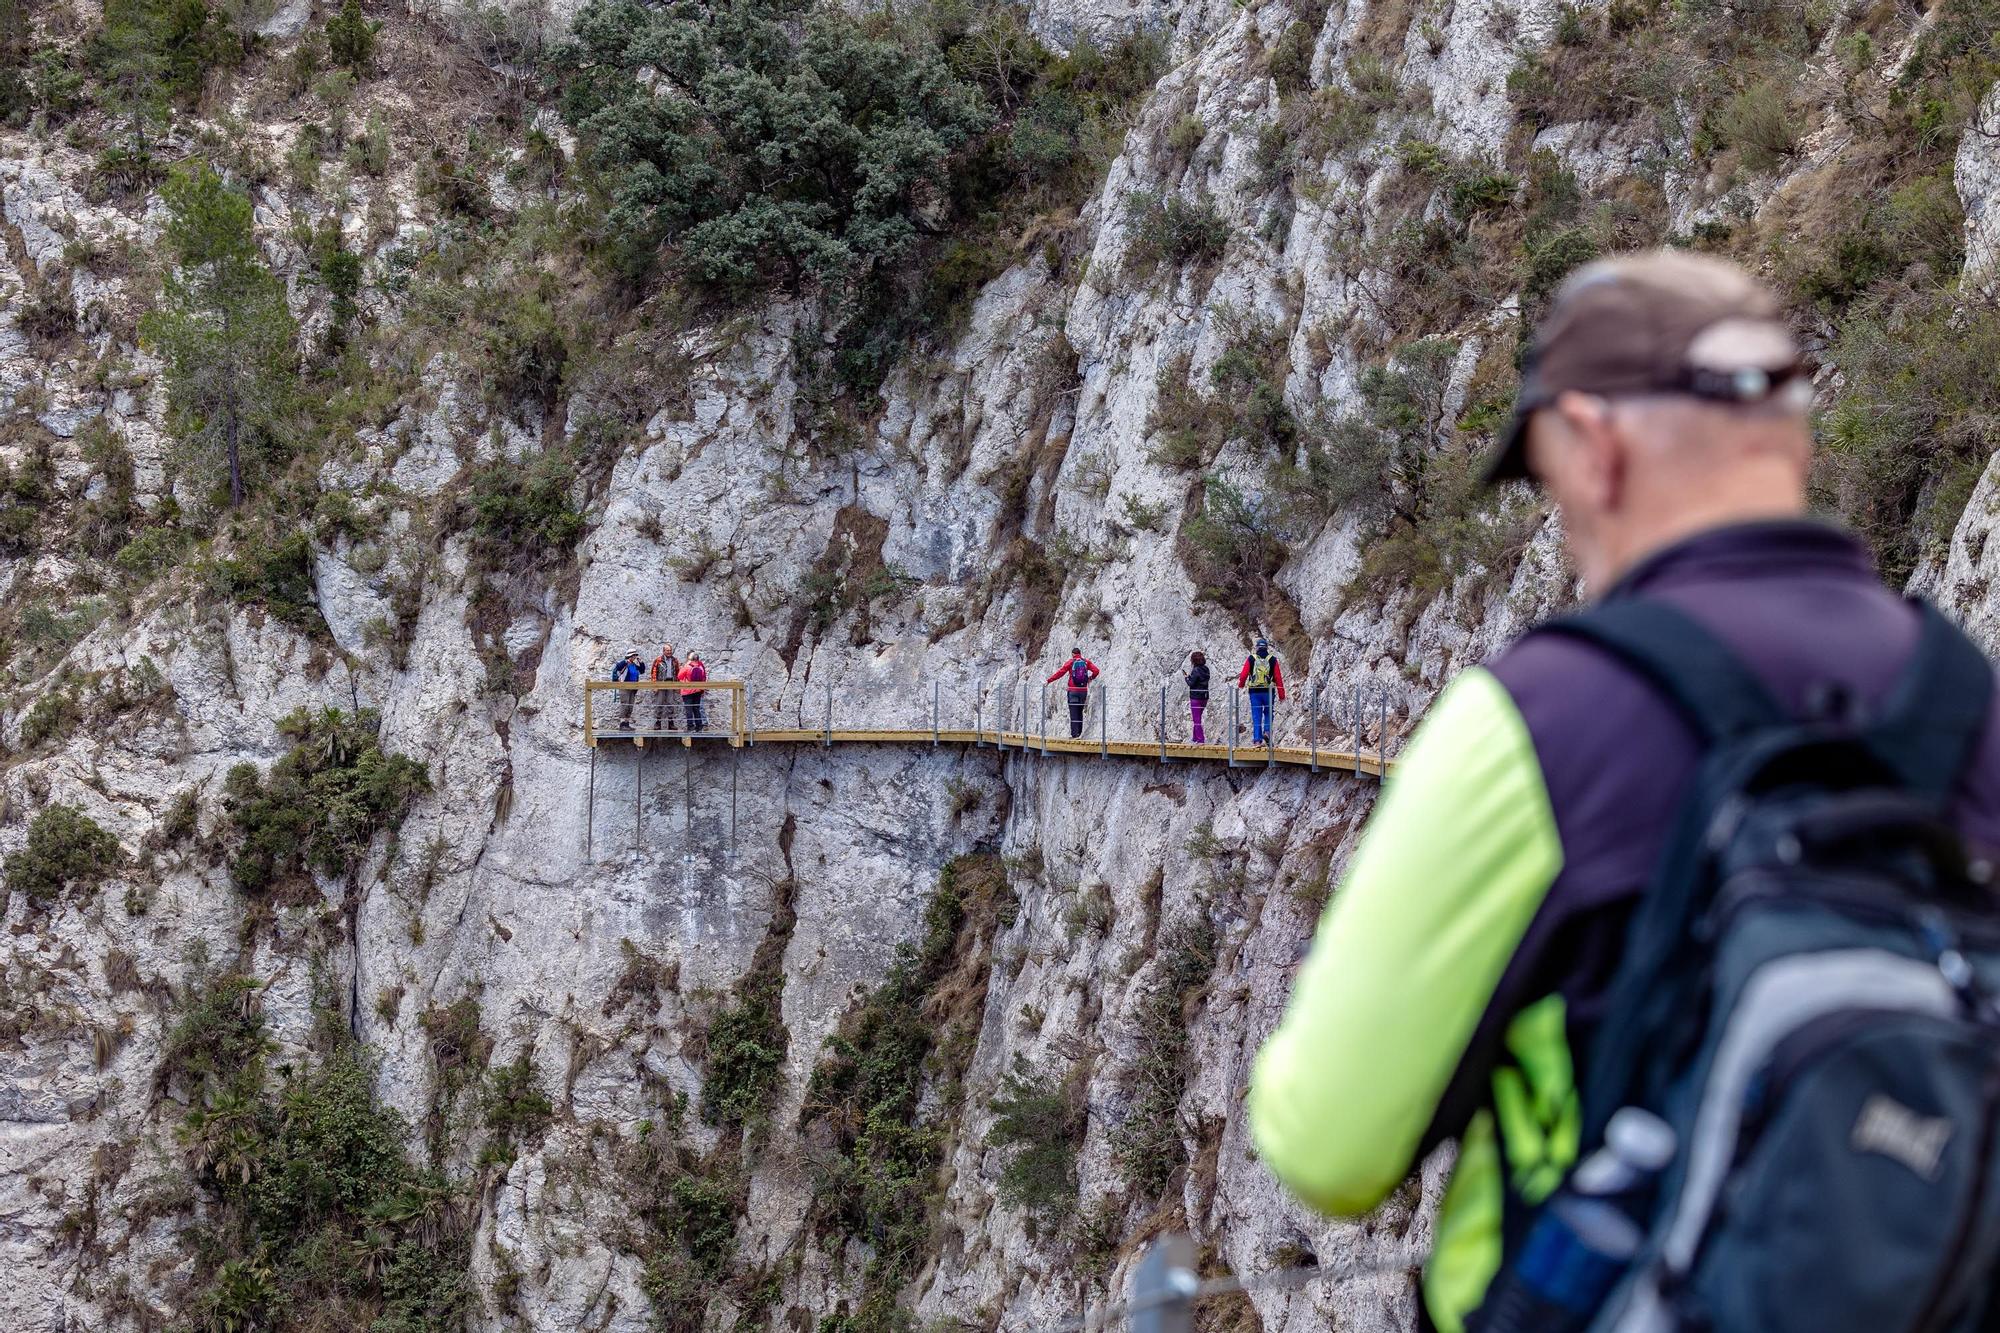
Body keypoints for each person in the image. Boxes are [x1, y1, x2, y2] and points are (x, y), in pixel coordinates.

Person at [1247, 251, 2000, 1333]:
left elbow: (1326, 1144)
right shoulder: (1970, 707)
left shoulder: (1542, 719)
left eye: (1545, 479)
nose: (1558, 521)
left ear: (1594, 448)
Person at [1236, 637, 1286, 745]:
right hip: (1268, 691)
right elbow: (1278, 678)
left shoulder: (1251, 658)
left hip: (1255, 692)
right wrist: (1282, 695)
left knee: (1256, 715)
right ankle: (1267, 732)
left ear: (1257, 648)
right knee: (1268, 713)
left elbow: (1244, 674)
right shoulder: (1272, 659)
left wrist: (1241, 685)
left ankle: (1257, 740)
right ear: (1267, 648)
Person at [1046, 648, 1099, 738]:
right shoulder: (1086, 662)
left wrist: (1049, 681)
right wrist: (1090, 678)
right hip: (1083, 691)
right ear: (1080, 654)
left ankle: (1075, 735)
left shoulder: (1071, 662)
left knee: (1073, 712)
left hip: (1073, 691)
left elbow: (1060, 673)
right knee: (1080, 711)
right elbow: (1096, 671)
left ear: (1073, 654)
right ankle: (1079, 733)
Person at [650, 643, 681, 732]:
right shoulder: (658, 660)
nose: (669, 652)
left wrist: (677, 685)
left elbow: (677, 673)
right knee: (659, 702)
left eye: (670, 650)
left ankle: (671, 723)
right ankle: (658, 722)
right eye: (667, 650)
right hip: (661, 682)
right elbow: (653, 673)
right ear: (663, 651)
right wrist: (655, 685)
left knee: (671, 702)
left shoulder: (675, 660)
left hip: (671, 682)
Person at [611, 650, 644, 729]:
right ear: (630, 656)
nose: (635, 657)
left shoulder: (634, 665)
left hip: (633, 688)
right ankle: (622, 724)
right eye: (634, 655)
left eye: (635, 655)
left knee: (630, 705)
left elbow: (642, 671)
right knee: (625, 704)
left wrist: (641, 662)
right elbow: (618, 667)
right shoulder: (624, 664)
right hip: (624, 686)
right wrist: (626, 661)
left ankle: (627, 723)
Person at [1185, 651, 1210, 743]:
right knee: (1197, 717)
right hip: (1204, 696)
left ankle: (1200, 739)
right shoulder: (1206, 669)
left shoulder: (1195, 670)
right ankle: (1194, 738)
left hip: (1196, 697)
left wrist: (1186, 677)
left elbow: (1191, 683)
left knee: (1196, 719)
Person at [680, 652, 708, 732]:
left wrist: (685, 666)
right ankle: (699, 727)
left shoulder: (687, 667)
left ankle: (690, 727)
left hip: (687, 691)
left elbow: (679, 676)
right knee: (696, 708)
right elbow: (703, 677)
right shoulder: (701, 667)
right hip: (698, 690)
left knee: (689, 709)